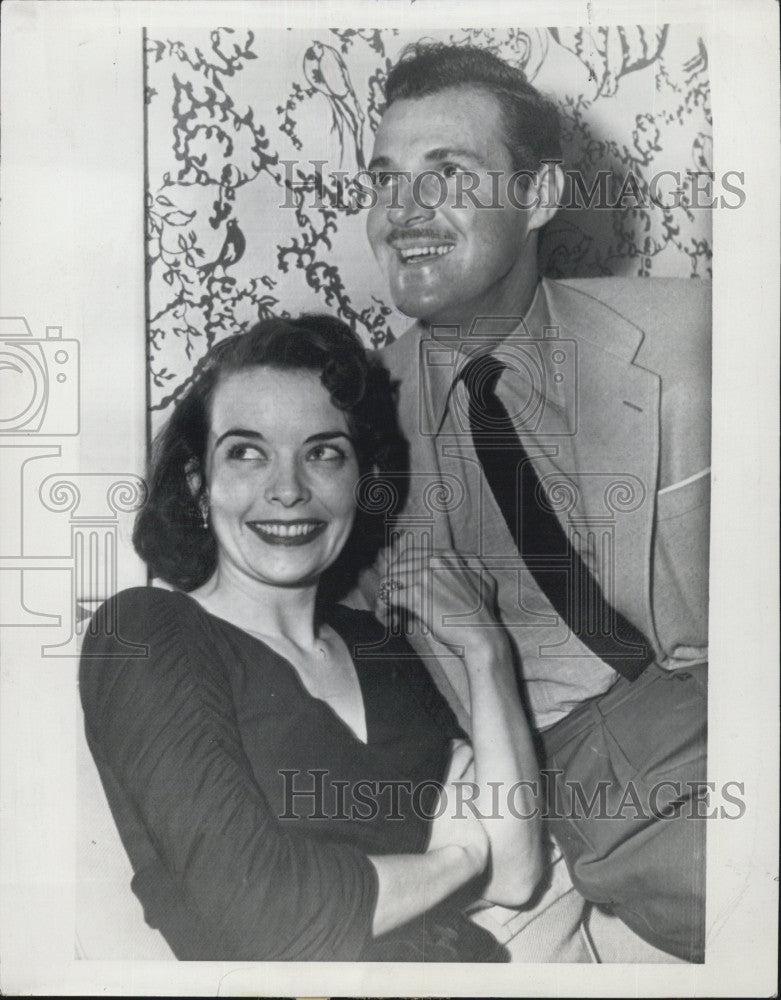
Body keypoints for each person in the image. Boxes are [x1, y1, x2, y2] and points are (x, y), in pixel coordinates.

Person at [362, 42, 708, 962]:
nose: (405, 213)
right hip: (602, 766)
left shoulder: (700, 337)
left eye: (448, 175)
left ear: (540, 197)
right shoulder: (347, 435)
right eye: (387, 179)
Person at [79, 314, 544, 962]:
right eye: (246, 452)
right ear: (197, 482)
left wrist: (485, 652)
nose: (289, 489)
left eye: (323, 452)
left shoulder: (379, 644)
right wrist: (458, 855)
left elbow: (516, 873)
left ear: (359, 479)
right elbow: (268, 918)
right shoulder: (147, 633)